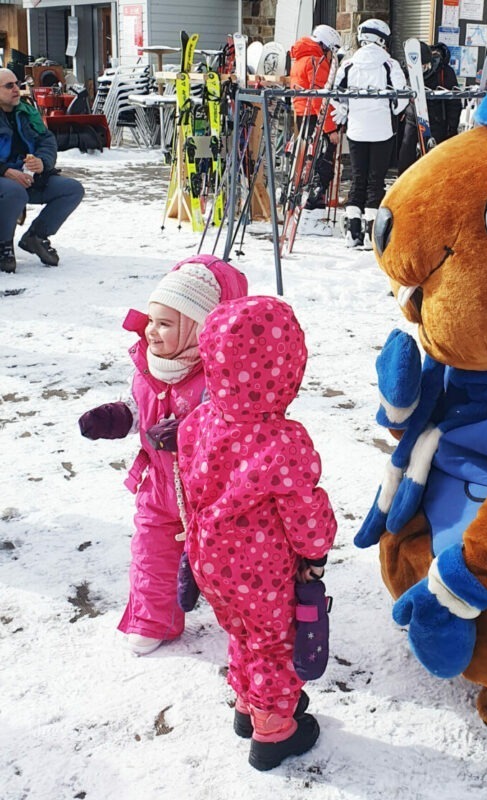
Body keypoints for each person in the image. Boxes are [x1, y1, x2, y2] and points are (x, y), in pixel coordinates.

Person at [176, 295, 337, 771]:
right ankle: (273, 729)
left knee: (243, 632)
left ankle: (249, 705)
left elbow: (189, 480)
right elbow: (304, 511)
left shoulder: (198, 423)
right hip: (260, 568)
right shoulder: (282, 440)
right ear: (287, 367)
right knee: (273, 642)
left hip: (211, 559)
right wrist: (318, 549)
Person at [77, 256, 248, 656]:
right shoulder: (148, 367)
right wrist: (116, 418)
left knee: (230, 563)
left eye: (166, 324)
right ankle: (154, 620)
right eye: (151, 320)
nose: (151, 331)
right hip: (157, 487)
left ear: (198, 329)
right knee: (150, 557)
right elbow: (140, 408)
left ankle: (251, 620)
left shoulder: (218, 377)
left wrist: (188, 434)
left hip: (212, 497)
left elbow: (233, 431)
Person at [331, 18, 408, 248]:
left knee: (357, 178)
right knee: (376, 180)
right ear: (383, 39)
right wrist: (392, 110)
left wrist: (346, 109)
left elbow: (336, 93)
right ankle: (373, 232)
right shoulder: (389, 64)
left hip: (356, 128)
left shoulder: (349, 64)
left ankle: (353, 231)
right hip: (382, 129)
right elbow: (402, 96)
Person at [0, 67, 84, 273]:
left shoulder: (26, 111)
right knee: (14, 192)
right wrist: (5, 171)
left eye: (18, 84)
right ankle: (3, 245)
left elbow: (46, 140)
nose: (16, 89)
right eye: (9, 86)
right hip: (5, 179)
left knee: (72, 189)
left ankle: (35, 237)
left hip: (30, 176)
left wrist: (42, 162)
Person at [288, 24, 343, 236]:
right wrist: (331, 130)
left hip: (302, 115)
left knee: (307, 163)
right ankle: (312, 213)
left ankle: (304, 211)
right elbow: (323, 97)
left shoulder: (301, 58)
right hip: (316, 116)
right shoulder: (316, 61)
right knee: (322, 165)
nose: (331, 57)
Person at [397, 41, 462, 174]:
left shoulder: (444, 72)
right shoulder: (405, 70)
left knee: (434, 161)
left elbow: (454, 102)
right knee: (406, 157)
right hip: (413, 118)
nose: (420, 70)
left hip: (437, 120)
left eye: (423, 67)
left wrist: (452, 128)